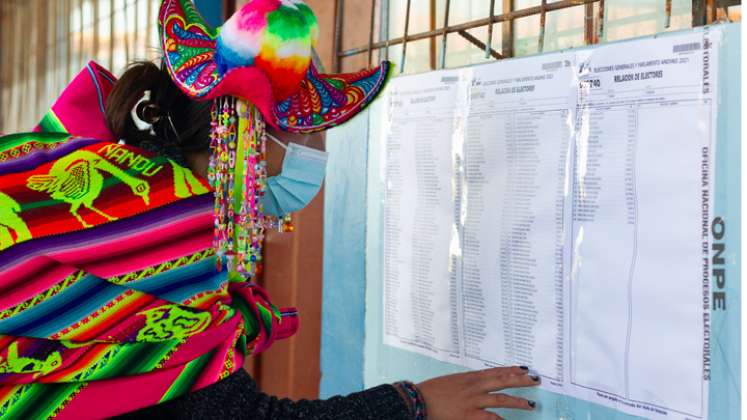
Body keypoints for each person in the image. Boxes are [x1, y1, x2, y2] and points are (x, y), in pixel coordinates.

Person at [0, 1, 540, 419]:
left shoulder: (99, 182)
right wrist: (414, 403)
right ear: (256, 137)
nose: (320, 155)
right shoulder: (170, 240)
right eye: (316, 136)